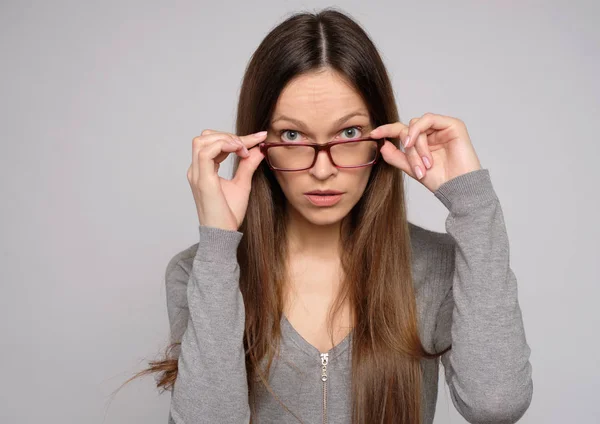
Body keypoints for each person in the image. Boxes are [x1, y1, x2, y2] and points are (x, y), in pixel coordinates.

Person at [125, 8, 533, 424]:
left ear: (382, 137)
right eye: (292, 135)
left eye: (349, 133)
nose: (322, 170)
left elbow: (495, 403)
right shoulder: (197, 271)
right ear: (258, 145)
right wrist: (217, 245)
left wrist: (474, 203)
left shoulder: (439, 266)